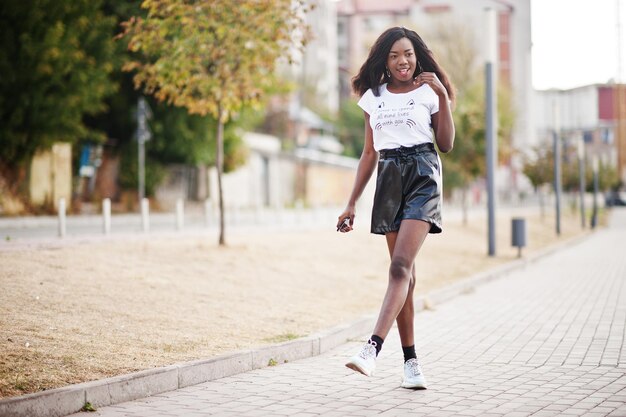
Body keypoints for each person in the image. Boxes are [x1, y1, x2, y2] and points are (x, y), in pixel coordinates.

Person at [336, 26, 455, 389]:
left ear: (417, 55)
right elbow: (369, 153)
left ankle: (372, 347)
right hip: (388, 178)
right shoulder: (374, 97)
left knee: (400, 266)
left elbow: (446, 145)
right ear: (384, 61)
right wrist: (352, 202)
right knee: (406, 277)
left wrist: (444, 99)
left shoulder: (429, 93)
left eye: (407, 53)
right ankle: (411, 363)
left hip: (422, 175)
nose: (402, 61)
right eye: (393, 55)